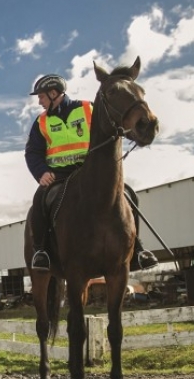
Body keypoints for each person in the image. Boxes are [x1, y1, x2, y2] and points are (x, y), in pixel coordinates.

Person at [24, 74, 158, 272]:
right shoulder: (41, 122)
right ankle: (41, 251)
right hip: (59, 176)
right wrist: (41, 172)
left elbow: (109, 125)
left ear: (54, 94)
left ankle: (137, 249)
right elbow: (33, 152)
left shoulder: (88, 108)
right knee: (40, 200)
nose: (39, 101)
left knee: (130, 195)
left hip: (90, 171)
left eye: (42, 96)